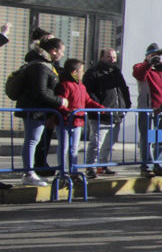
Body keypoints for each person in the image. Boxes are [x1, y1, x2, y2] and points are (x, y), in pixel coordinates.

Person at [15, 38, 67, 187]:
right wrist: (60, 101)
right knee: (32, 141)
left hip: (39, 109)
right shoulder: (40, 66)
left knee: (33, 140)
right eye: (61, 51)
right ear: (54, 51)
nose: (62, 55)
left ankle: (30, 172)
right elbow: (41, 91)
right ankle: (29, 173)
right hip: (34, 109)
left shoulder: (46, 65)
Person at [81, 47, 131, 178]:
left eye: (114, 57)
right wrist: (101, 107)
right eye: (109, 56)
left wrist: (126, 105)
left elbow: (123, 89)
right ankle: (90, 167)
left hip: (116, 114)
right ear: (101, 57)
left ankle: (102, 166)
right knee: (96, 143)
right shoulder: (92, 73)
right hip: (99, 115)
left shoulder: (116, 72)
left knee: (109, 143)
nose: (112, 59)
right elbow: (89, 93)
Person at [133, 43, 162, 178]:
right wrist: (148, 63)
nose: (156, 58)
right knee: (147, 138)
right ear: (146, 56)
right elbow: (139, 74)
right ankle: (146, 166)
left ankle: (160, 165)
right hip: (147, 110)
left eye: (157, 55)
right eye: (152, 55)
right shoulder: (140, 67)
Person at [54, 59, 104, 180]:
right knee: (64, 147)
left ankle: (73, 170)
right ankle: (62, 171)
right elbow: (60, 103)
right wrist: (67, 112)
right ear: (75, 72)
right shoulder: (65, 85)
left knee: (74, 147)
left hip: (77, 121)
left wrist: (101, 108)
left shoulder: (81, 86)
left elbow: (87, 101)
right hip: (65, 121)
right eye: (81, 70)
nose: (83, 72)